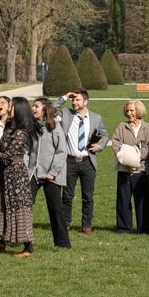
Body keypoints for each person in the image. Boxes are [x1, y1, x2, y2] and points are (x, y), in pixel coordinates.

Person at [0, 97, 40, 256]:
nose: (8, 108)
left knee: (18, 209)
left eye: (11, 105)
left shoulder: (21, 131)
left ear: (18, 109)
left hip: (16, 175)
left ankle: (29, 248)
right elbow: (2, 150)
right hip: (4, 173)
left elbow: (8, 156)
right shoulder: (8, 127)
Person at [52, 89, 109, 235]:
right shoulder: (66, 113)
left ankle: (86, 225)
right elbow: (49, 111)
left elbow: (105, 135)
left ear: (86, 101)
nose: (74, 102)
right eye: (73, 100)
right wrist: (64, 97)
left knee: (88, 197)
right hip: (69, 161)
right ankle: (66, 224)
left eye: (77, 100)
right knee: (67, 196)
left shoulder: (96, 118)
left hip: (88, 162)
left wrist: (100, 146)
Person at [28, 98, 69, 248]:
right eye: (33, 106)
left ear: (44, 110)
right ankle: (23, 239)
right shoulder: (32, 127)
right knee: (25, 204)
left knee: (56, 208)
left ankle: (63, 243)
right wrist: (26, 165)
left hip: (51, 175)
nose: (33, 109)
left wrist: (53, 172)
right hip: (34, 173)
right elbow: (27, 148)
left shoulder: (55, 127)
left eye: (36, 106)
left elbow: (61, 151)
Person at [111, 100, 149, 235]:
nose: (129, 113)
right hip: (124, 170)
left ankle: (144, 229)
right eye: (127, 110)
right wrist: (126, 156)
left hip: (141, 171)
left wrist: (133, 155)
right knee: (123, 201)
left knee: (142, 202)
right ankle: (124, 228)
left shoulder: (148, 127)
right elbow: (116, 144)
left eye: (132, 110)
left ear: (139, 111)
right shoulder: (122, 126)